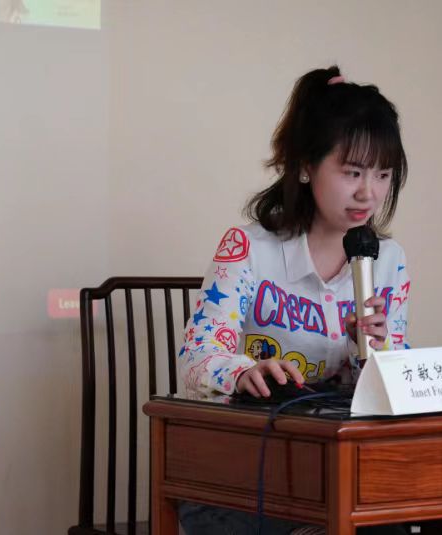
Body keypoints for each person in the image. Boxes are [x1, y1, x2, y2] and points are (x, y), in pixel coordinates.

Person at [177, 65, 412, 535]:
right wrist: (243, 372)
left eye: (383, 174)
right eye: (352, 172)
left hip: (332, 468)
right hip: (242, 468)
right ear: (306, 166)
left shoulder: (387, 261)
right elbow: (195, 360)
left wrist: (369, 350)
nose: (368, 192)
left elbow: (389, 394)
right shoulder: (248, 249)